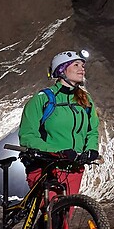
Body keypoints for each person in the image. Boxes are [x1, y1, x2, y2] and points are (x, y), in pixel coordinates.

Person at [18, 49, 101, 196]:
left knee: (65, 216)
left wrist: (91, 150)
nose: (82, 68)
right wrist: (57, 151)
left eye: (82, 65)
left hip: (73, 167)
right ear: (62, 70)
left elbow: (92, 130)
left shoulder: (86, 100)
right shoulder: (43, 99)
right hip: (46, 166)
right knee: (50, 212)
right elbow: (27, 135)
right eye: (76, 65)